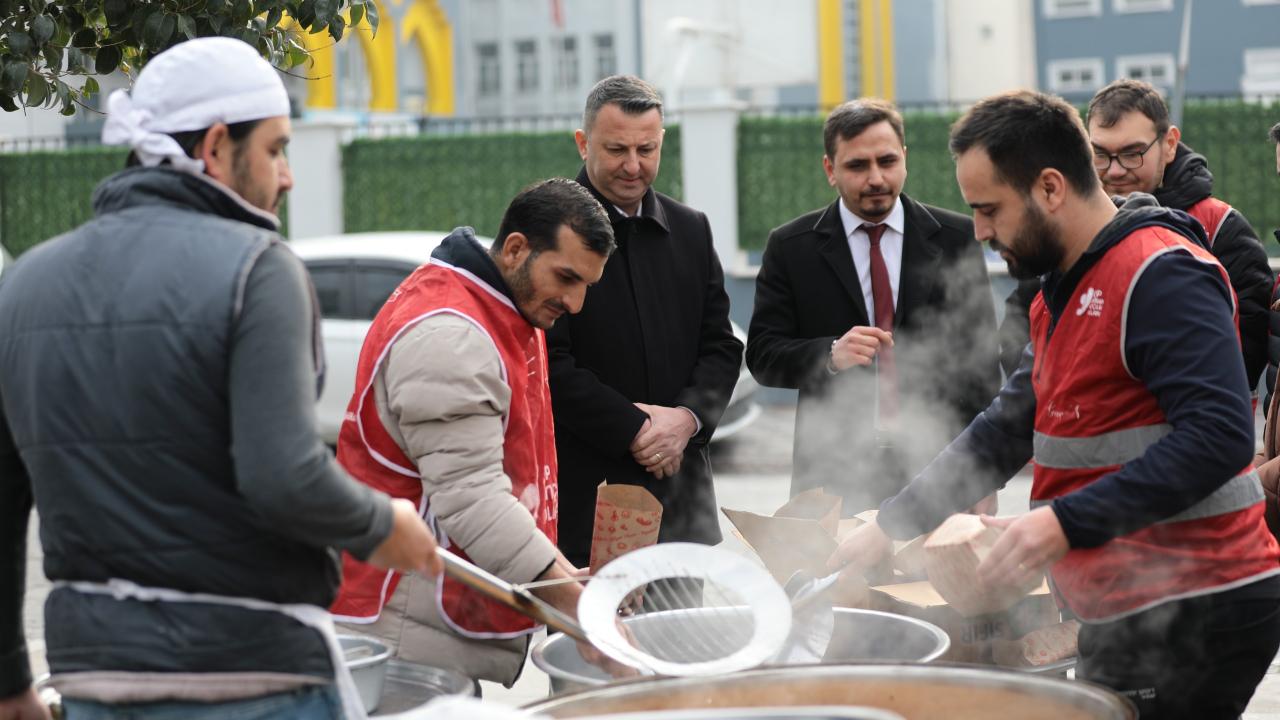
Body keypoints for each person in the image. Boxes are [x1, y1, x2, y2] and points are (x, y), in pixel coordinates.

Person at [0, 37, 440, 720]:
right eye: (274, 148)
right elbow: (285, 477)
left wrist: (8, 681)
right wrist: (384, 523)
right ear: (214, 148)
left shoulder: (22, 284)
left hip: (95, 681)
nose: (287, 176)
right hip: (255, 679)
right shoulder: (259, 267)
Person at [832, 90, 1280, 719]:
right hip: (1125, 602)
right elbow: (1005, 428)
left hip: (1199, 603)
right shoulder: (1057, 292)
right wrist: (890, 524)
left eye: (990, 210)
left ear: (1049, 188)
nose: (981, 232)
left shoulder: (1162, 273)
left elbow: (1219, 437)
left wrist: (1061, 523)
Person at [329, 179, 623, 687]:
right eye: (566, 278)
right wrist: (577, 608)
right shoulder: (453, 337)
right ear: (515, 249)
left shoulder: (501, 307)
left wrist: (563, 574)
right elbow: (472, 500)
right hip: (401, 632)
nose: (575, 303)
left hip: (422, 624)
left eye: (586, 287)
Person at [746, 98, 1000, 513]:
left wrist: (983, 474)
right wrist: (829, 355)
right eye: (857, 166)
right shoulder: (791, 247)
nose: (876, 178)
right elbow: (762, 355)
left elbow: (981, 365)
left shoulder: (955, 238)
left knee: (930, 582)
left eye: (886, 161)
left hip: (936, 466)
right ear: (830, 170)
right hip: (833, 473)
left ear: (905, 158)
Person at [547, 75, 743, 570]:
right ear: (582, 142)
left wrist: (686, 421)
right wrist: (636, 429)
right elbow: (546, 363)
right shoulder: (547, 230)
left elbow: (721, 347)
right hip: (588, 504)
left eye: (647, 149)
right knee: (593, 648)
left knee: (684, 644)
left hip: (683, 505)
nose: (633, 166)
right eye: (616, 149)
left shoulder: (691, 229)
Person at [1000, 79, 1274, 395]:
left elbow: (1247, 352)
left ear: (1169, 144)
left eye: (1132, 154)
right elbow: (1018, 330)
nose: (1115, 171)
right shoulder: (1059, 225)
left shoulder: (1220, 227)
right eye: (1099, 154)